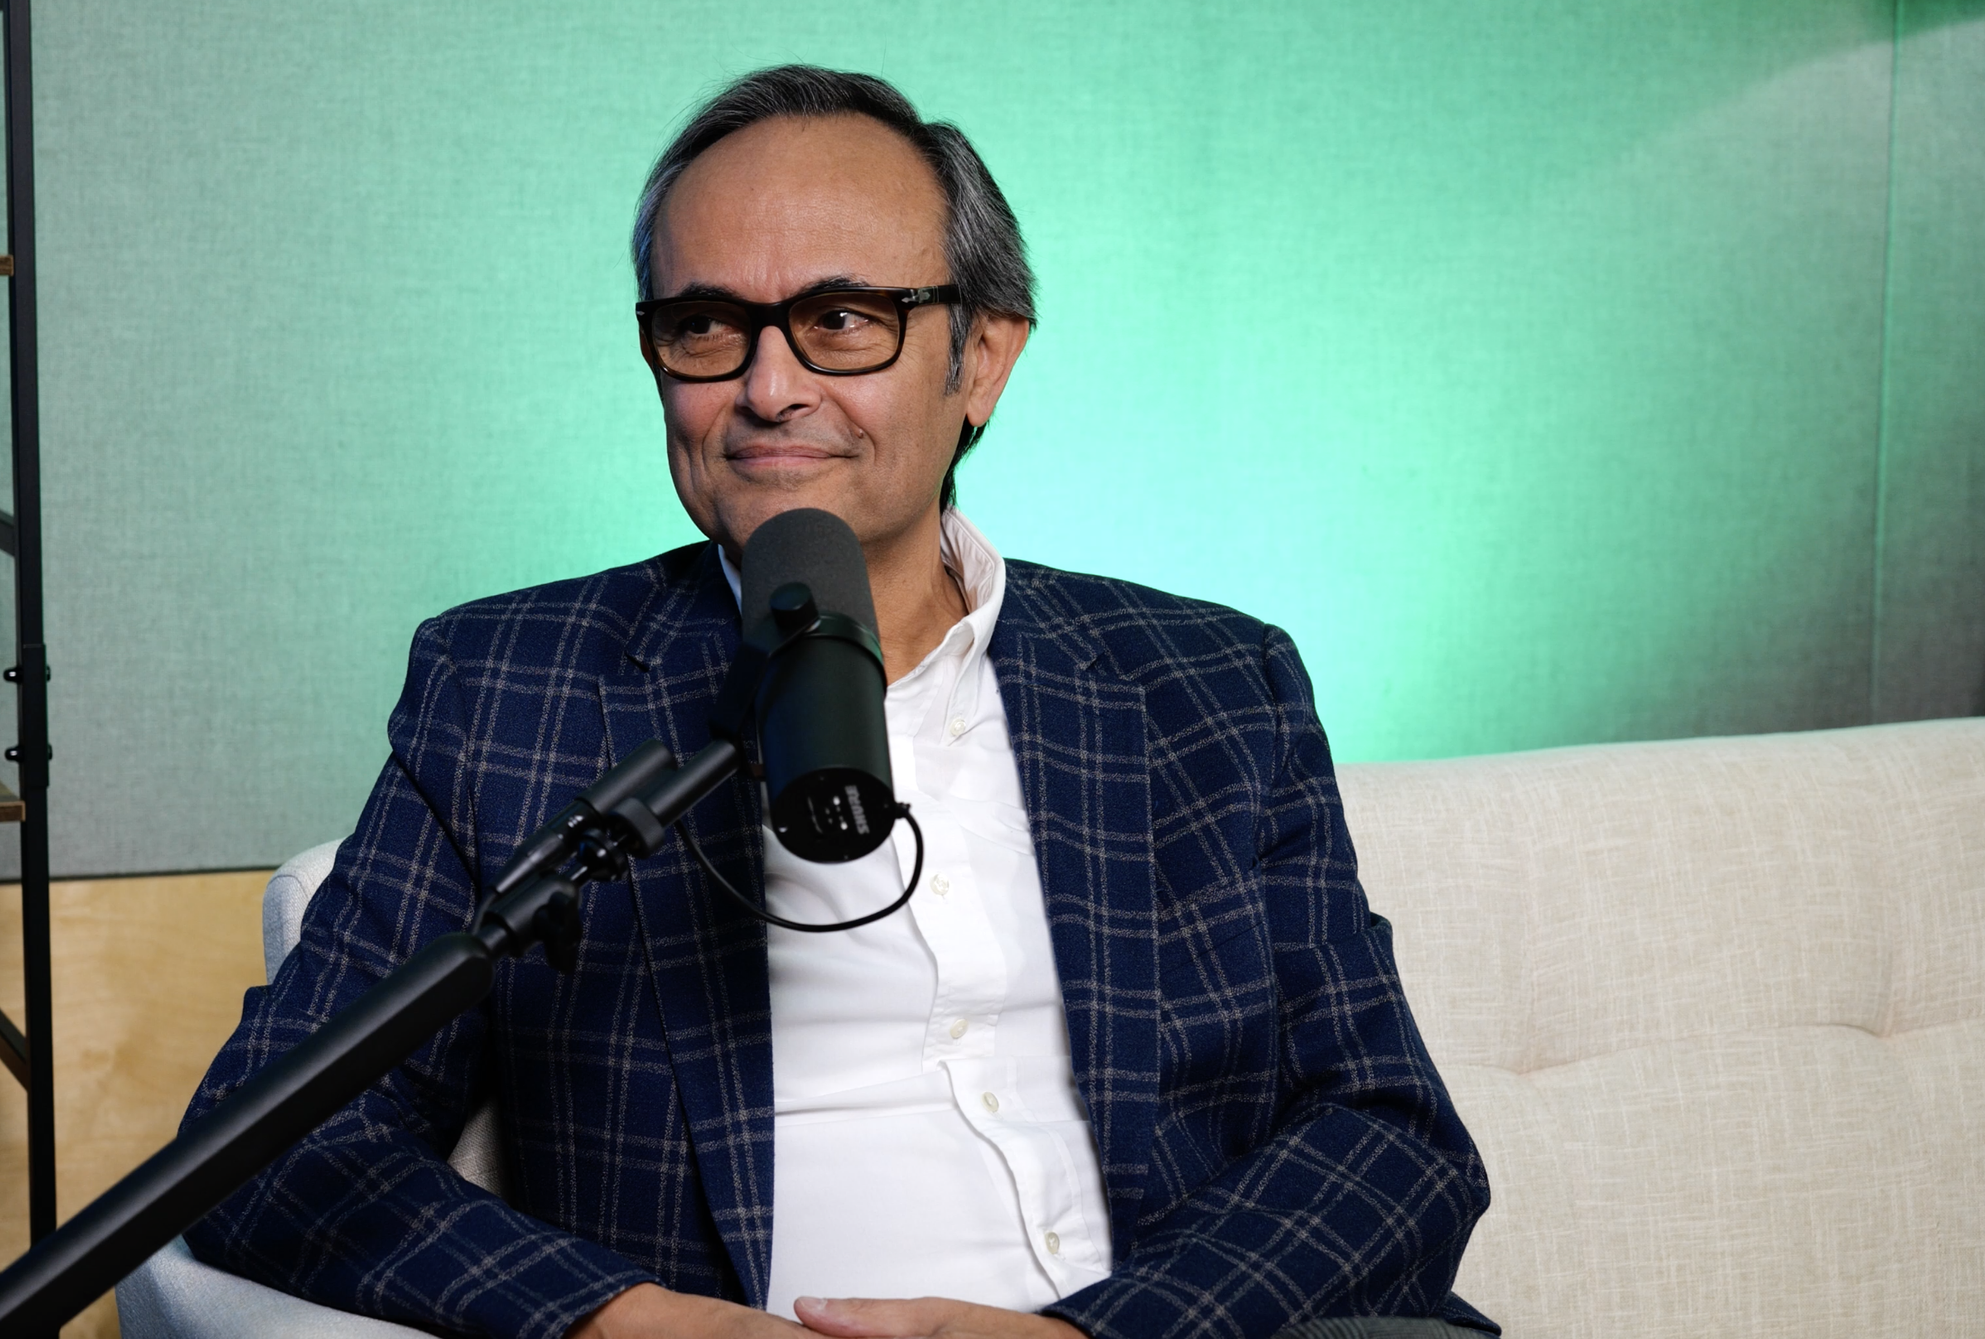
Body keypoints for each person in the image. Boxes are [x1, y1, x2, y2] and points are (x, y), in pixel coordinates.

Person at [184, 66, 1493, 1339]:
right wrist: (624, 1321)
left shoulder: (1210, 681)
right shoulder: (511, 688)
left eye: (844, 318)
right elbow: (274, 1145)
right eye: (705, 325)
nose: (766, 387)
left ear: (980, 359)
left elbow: (1393, 1136)